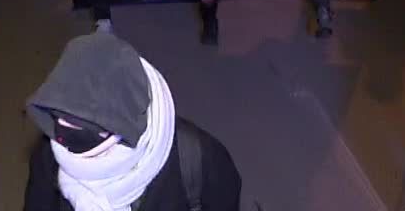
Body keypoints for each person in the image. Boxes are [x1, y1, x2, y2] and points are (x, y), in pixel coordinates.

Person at [23, 32, 241, 211]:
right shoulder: (50, 156)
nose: (67, 148)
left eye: (85, 135)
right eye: (61, 125)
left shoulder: (198, 159)